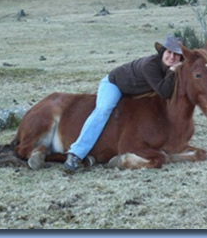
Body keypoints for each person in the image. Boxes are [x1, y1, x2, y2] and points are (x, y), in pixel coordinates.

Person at [64, 35, 183, 171]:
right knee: (104, 109)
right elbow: (164, 92)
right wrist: (173, 71)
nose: (172, 57)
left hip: (133, 93)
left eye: (176, 54)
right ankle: (75, 154)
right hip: (115, 85)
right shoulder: (150, 66)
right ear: (163, 52)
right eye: (169, 52)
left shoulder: (174, 68)